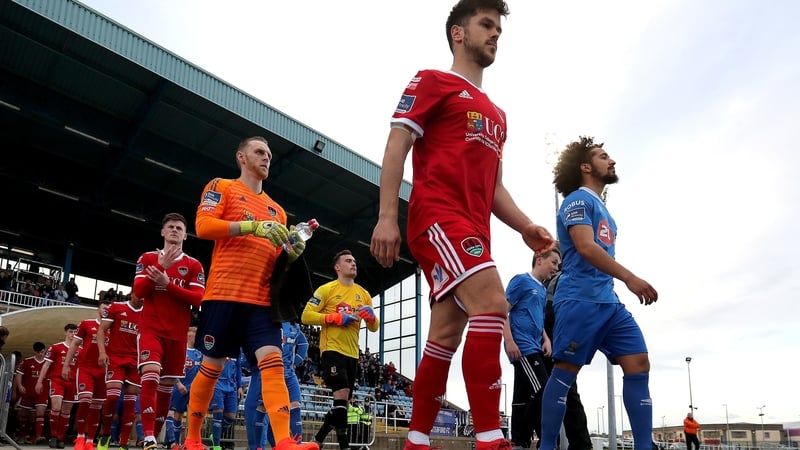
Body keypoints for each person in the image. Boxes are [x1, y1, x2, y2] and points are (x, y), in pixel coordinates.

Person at [369, 1, 554, 449]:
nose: (495, 34)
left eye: (498, 29)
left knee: (445, 336)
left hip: (474, 231)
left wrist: (525, 226)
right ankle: (491, 439)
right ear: (458, 33)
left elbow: (495, 188)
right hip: (438, 218)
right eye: (486, 25)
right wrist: (387, 217)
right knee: (492, 302)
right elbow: (397, 145)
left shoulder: (498, 114)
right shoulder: (432, 81)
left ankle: (416, 441)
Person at [184, 136, 317, 450]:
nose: (266, 157)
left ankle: (283, 441)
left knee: (273, 364)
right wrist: (251, 226)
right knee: (212, 367)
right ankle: (192, 438)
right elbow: (204, 226)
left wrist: (292, 254)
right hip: (223, 295)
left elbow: (278, 259)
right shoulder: (222, 186)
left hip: (261, 303)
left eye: (269, 154)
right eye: (259, 152)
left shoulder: (278, 211)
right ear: (241, 157)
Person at [538, 136, 659, 450]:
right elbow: (585, 247)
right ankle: (547, 445)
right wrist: (630, 278)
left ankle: (644, 446)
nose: (612, 160)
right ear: (585, 167)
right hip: (580, 300)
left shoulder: (602, 208)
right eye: (603, 156)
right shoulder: (577, 201)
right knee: (565, 372)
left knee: (639, 363)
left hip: (609, 302)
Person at [132, 212, 206, 450]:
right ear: (163, 232)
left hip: (177, 335)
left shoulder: (193, 265)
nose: (174, 230)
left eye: (179, 228)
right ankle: (148, 437)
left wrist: (168, 284)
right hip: (151, 329)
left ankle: (154, 438)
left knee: (165, 389)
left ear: (185, 236)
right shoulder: (147, 258)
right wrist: (161, 265)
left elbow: (198, 298)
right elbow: (138, 292)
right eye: (170, 227)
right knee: (151, 376)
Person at [302, 250, 380, 450]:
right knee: (342, 395)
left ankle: (317, 440)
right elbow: (306, 316)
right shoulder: (326, 290)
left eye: (354, 261)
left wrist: (372, 317)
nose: (353, 263)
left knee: (341, 404)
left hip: (352, 354)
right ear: (337, 267)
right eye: (348, 261)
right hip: (332, 350)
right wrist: (334, 318)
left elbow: (374, 328)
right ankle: (345, 447)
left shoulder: (364, 294)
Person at [503, 249, 561, 450]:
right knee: (544, 390)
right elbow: (503, 311)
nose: (556, 268)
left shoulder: (542, 290)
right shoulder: (521, 281)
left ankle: (520, 441)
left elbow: (538, 318)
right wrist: (509, 341)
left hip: (536, 345)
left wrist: (546, 339)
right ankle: (544, 441)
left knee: (522, 395)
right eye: (553, 262)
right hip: (523, 346)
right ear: (539, 260)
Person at [543, 270, 592, 450]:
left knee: (563, 392)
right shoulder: (549, 281)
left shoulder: (561, 279)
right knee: (564, 393)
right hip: (553, 340)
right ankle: (577, 444)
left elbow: (551, 313)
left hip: (554, 340)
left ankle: (576, 444)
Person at [245, 321, 309, 450]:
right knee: (262, 407)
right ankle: (258, 446)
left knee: (295, 404)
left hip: (289, 374)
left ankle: (296, 444)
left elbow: (304, 344)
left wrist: (296, 361)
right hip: (270, 372)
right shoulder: (267, 321)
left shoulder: (294, 326)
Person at [63, 299, 115, 450]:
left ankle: (90, 441)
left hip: (104, 370)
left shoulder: (114, 328)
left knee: (97, 406)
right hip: (86, 368)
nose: (106, 310)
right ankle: (80, 437)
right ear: (98, 310)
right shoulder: (86, 324)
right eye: (104, 308)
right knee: (85, 400)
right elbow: (74, 344)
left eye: (108, 309)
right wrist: (66, 365)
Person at [95, 293, 144, 450]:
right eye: (140, 295)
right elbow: (101, 330)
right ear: (133, 294)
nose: (143, 299)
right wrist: (102, 352)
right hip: (116, 359)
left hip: (135, 361)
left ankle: (124, 442)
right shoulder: (116, 308)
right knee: (112, 397)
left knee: (130, 402)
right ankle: (105, 434)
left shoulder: (148, 313)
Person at [36, 323, 79, 449]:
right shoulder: (56, 347)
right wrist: (39, 381)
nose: (73, 334)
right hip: (57, 380)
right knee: (56, 407)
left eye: (75, 332)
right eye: (70, 331)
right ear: (65, 332)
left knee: (66, 412)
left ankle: (60, 438)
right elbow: (46, 365)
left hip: (72, 382)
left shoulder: (80, 350)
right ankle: (53, 436)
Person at [164, 327, 202, 450]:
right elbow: (172, 367)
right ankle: (175, 443)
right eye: (195, 335)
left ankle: (192, 441)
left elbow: (202, 371)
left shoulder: (199, 353)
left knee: (195, 415)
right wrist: (178, 383)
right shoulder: (181, 351)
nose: (197, 338)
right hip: (179, 388)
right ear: (189, 336)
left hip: (193, 389)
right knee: (177, 415)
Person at [14, 341, 49, 445]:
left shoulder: (48, 363)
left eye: (42, 352)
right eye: (38, 352)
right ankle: (21, 435)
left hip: (42, 393)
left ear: (45, 351)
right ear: (34, 352)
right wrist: (20, 385)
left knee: (40, 413)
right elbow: (19, 374)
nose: (40, 354)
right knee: (22, 414)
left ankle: (38, 436)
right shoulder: (27, 362)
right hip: (28, 392)